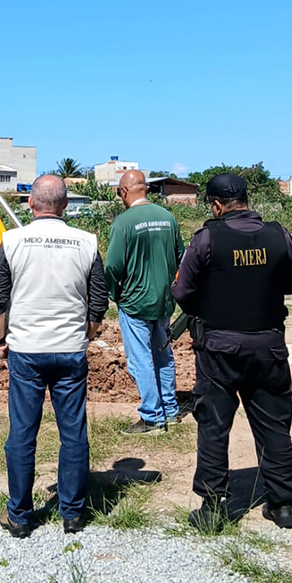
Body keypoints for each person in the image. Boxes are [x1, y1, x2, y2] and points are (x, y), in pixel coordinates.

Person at [172, 173, 292, 531]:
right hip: (268, 346)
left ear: (216, 205)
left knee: (214, 426)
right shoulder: (279, 235)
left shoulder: (206, 239)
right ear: (246, 199)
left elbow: (182, 292)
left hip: (219, 349)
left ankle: (213, 508)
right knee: (274, 424)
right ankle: (283, 504)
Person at [0, 174, 108, 538]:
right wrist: (85, 336)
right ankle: (72, 513)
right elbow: (98, 301)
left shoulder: (12, 241)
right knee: (73, 433)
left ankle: (20, 515)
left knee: (22, 433)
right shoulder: (86, 242)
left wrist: (0, 341)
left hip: (26, 350)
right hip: (69, 350)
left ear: (30, 204)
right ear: (66, 205)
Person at [104, 170, 184, 434]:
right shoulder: (167, 218)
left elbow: (112, 267)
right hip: (163, 301)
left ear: (124, 191)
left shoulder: (123, 223)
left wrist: (115, 294)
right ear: (146, 189)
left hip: (135, 303)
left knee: (141, 360)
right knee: (163, 355)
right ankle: (170, 410)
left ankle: (152, 417)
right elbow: (181, 258)